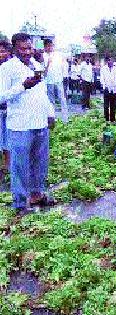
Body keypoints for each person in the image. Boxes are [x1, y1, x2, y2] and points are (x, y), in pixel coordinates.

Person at [0, 33, 55, 214]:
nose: (27, 52)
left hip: (39, 122)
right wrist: (23, 86)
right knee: (20, 166)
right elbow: (1, 96)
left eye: (29, 48)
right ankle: (20, 204)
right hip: (20, 125)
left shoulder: (37, 66)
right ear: (14, 49)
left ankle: (36, 195)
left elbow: (42, 93)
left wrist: (50, 114)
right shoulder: (7, 68)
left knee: (39, 163)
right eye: (22, 49)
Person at [43, 39, 69, 123]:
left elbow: (63, 66)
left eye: (51, 46)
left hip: (58, 80)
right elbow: (43, 71)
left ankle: (65, 120)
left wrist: (65, 77)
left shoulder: (58, 55)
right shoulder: (42, 56)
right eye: (48, 46)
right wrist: (48, 63)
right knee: (51, 101)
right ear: (45, 47)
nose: (50, 47)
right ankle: (52, 119)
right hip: (48, 81)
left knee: (62, 99)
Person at [0, 40, 12, 174]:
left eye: (3, 51)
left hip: (9, 108)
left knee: (7, 138)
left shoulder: (11, 68)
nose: (0, 54)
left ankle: (8, 165)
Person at [100, 57, 116, 123]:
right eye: (109, 60)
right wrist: (104, 86)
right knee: (106, 105)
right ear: (107, 61)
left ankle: (112, 119)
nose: (110, 62)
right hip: (106, 89)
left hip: (114, 89)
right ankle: (106, 119)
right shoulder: (103, 68)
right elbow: (102, 78)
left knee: (113, 105)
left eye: (112, 60)